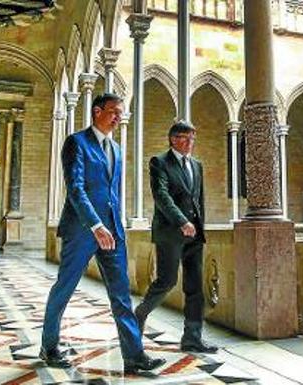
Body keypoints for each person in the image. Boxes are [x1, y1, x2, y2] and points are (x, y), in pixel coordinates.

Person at [40, 93, 165, 374]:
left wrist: (114, 227)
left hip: (113, 233)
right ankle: (49, 346)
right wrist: (95, 225)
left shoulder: (117, 149)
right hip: (83, 230)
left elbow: (112, 194)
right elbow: (76, 189)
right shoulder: (77, 142)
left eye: (121, 113)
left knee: (121, 294)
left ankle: (134, 356)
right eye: (113, 112)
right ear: (97, 111)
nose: (118, 117)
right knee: (65, 288)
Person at [134, 121, 217, 354]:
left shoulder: (196, 165)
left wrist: (199, 227)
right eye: (184, 138)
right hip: (170, 233)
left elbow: (198, 199)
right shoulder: (159, 162)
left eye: (193, 138)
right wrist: (182, 221)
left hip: (194, 236)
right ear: (172, 139)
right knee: (166, 281)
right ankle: (139, 315)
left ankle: (192, 338)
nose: (190, 142)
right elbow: (161, 196)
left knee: (195, 289)